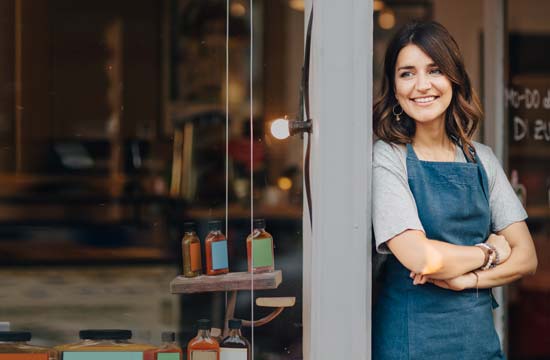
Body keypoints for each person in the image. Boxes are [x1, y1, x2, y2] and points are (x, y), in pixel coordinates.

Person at [372, 21, 537, 360]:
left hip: (478, 342)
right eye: (406, 73)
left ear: (453, 79)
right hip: (410, 341)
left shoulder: (483, 159)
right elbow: (421, 258)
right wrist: (490, 252)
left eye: (434, 70)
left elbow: (527, 258)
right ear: (394, 87)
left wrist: (468, 280)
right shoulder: (387, 157)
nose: (421, 85)